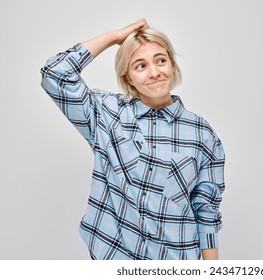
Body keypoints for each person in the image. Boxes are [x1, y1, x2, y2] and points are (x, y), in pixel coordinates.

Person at [40, 19, 225, 260]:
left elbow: (206, 211)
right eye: (140, 66)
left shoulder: (203, 133)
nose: (155, 72)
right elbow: (55, 74)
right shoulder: (107, 114)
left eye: (161, 60)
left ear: (172, 64)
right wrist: (113, 37)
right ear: (128, 78)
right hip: (116, 256)